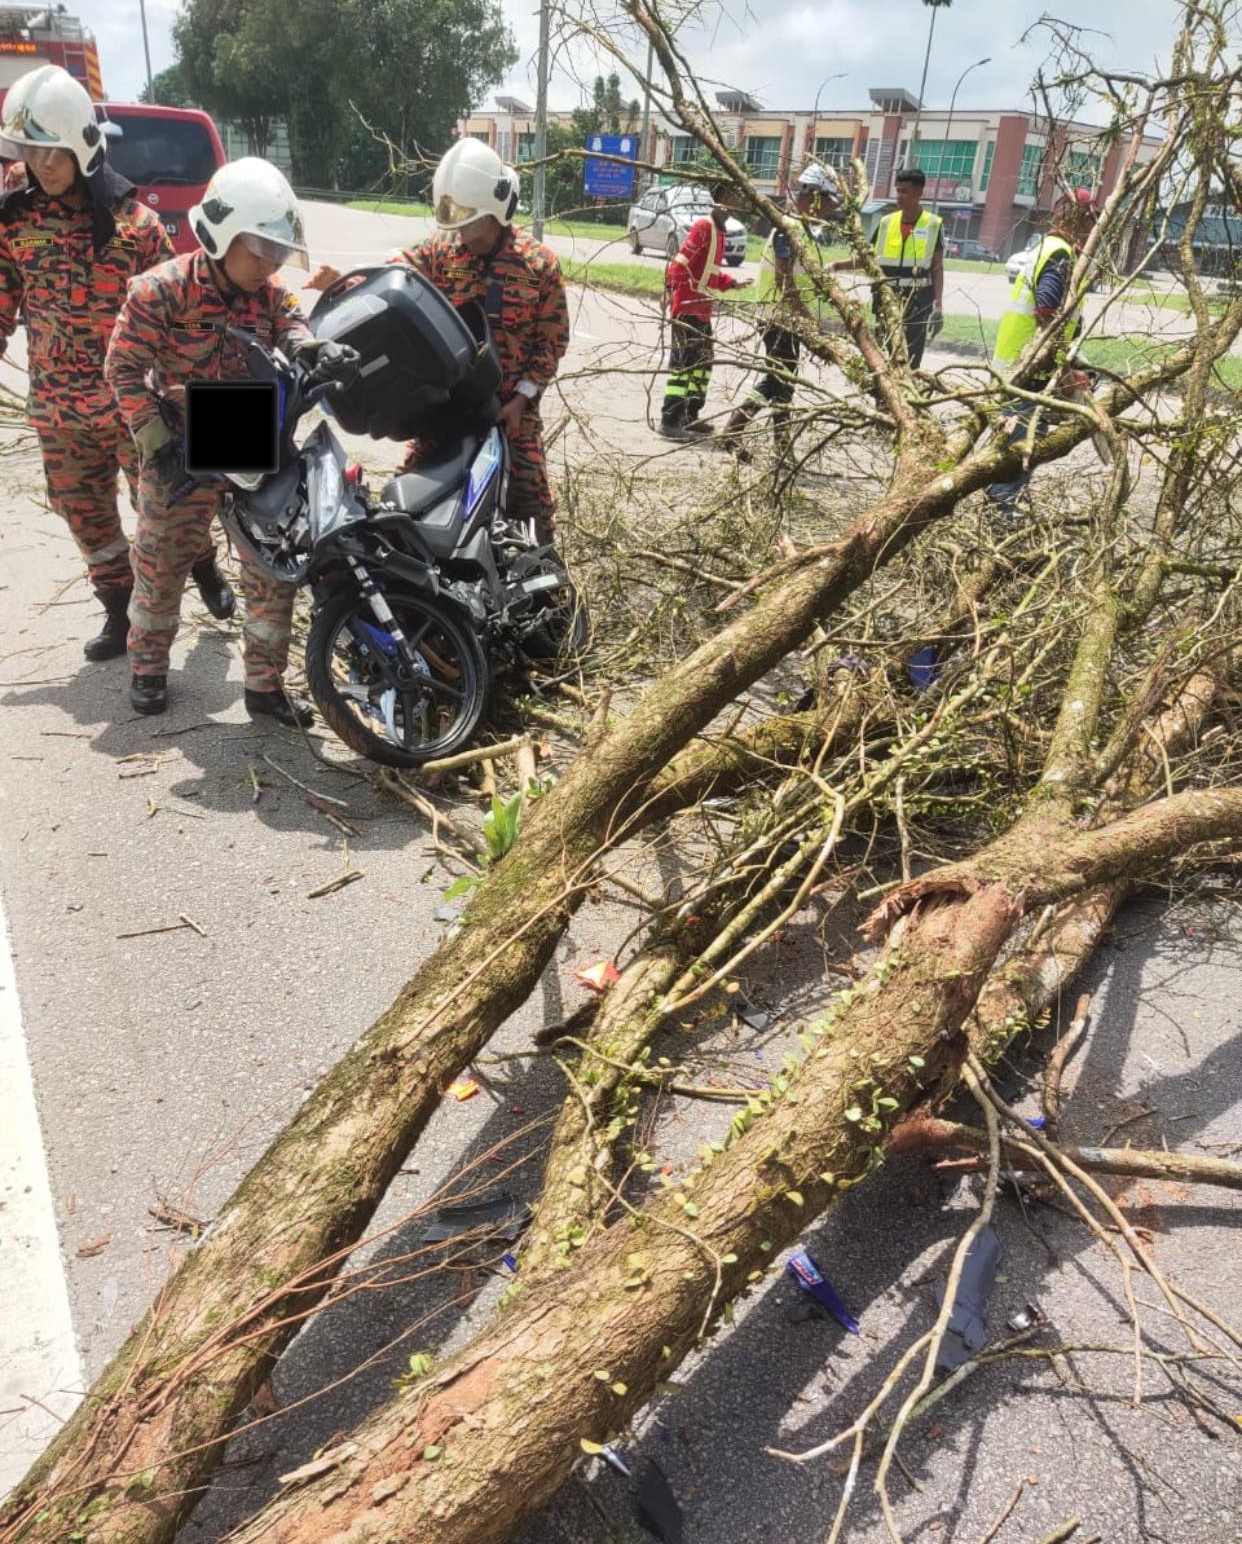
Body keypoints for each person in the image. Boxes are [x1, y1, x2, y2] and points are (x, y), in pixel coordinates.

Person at [0, 63, 234, 662]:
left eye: (51, 151)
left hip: (134, 410)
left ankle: (204, 564)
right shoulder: (14, 220)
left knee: (169, 509)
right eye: (29, 151)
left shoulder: (138, 228)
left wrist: (191, 396)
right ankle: (117, 607)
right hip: (58, 412)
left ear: (81, 144)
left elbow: (180, 316)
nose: (40, 164)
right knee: (86, 518)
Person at [105, 157, 344, 720]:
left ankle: (264, 684)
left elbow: (293, 327)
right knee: (160, 565)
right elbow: (122, 369)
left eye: (277, 253)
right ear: (221, 233)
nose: (268, 265)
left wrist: (315, 348)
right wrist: (154, 438)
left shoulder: (270, 293)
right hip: (180, 446)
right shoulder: (160, 290)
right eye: (258, 251)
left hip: (249, 439)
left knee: (270, 570)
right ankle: (147, 669)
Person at [309, 137, 570, 546]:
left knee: (532, 509)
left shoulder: (539, 265)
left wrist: (522, 398)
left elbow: (552, 343)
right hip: (445, 407)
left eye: (469, 219)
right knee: (405, 505)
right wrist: (347, 282)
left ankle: (541, 581)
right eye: (455, 220)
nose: (460, 230)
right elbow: (392, 279)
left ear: (494, 210)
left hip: (510, 413)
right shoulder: (440, 250)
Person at [984, 189, 1099, 519]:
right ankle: (1000, 519)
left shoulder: (1046, 247)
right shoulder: (1061, 255)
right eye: (1091, 221)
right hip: (1028, 372)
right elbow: (1047, 314)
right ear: (1078, 219)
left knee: (1019, 450)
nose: (1093, 229)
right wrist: (1065, 372)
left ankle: (1002, 512)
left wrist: (1071, 362)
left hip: (1021, 368)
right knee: (1017, 451)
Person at [720, 161, 843, 459]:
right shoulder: (788, 229)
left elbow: (805, 278)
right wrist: (809, 320)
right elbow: (784, 280)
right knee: (778, 378)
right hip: (778, 317)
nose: (828, 209)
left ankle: (782, 446)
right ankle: (734, 429)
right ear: (812, 196)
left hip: (789, 319)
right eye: (826, 202)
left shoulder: (804, 230)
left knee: (786, 380)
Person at [659, 180, 753, 440]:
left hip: (702, 310)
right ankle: (670, 420)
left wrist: (732, 283)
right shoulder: (704, 227)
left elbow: (709, 273)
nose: (739, 201)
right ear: (724, 196)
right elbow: (679, 263)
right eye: (735, 195)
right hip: (687, 308)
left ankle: (690, 416)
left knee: (703, 363)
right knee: (683, 364)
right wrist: (669, 289)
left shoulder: (720, 231)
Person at [831, 165, 944, 369]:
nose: (899, 196)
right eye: (897, 190)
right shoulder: (885, 222)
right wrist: (837, 265)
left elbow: (937, 269)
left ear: (919, 193)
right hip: (885, 298)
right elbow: (868, 258)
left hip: (917, 302)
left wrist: (938, 306)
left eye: (905, 191)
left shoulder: (933, 224)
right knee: (883, 355)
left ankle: (906, 388)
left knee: (910, 359)